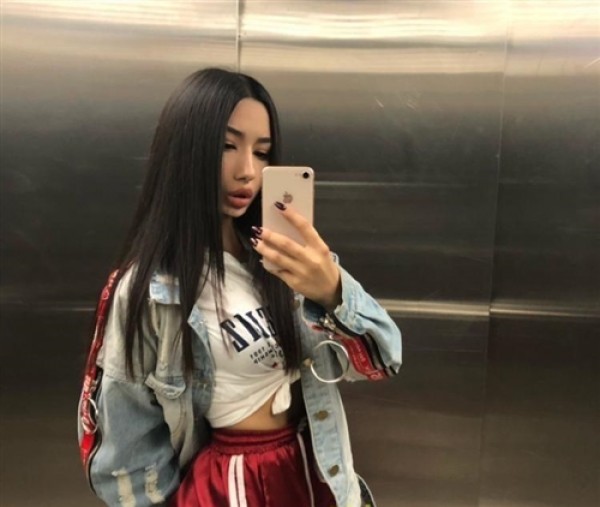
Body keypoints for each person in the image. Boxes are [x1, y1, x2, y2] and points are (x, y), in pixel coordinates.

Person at [77, 68, 402, 507]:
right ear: (185, 150)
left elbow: (384, 359)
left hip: (318, 473)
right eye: (226, 147)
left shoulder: (286, 261)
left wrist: (332, 291)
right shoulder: (150, 291)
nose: (248, 171)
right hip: (231, 485)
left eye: (262, 152)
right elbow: (125, 454)